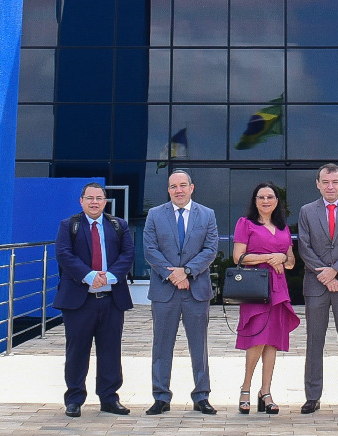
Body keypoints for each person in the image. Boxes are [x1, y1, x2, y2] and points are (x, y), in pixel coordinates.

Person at [53, 182, 135, 417]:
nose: (94, 202)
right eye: (90, 198)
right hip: (79, 301)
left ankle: (109, 398)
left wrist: (109, 276)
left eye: (99, 198)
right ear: (81, 201)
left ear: (105, 201)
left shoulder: (118, 226)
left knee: (110, 350)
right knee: (77, 351)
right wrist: (89, 276)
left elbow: (128, 253)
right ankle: (75, 398)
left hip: (111, 299)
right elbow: (64, 254)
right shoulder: (70, 225)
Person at [141, 169, 219, 415]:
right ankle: (161, 397)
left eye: (183, 185)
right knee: (161, 346)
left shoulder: (207, 215)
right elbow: (150, 250)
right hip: (165, 291)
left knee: (199, 346)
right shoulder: (155, 215)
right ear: (168, 190)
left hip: (196, 290)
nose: (179, 190)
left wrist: (186, 272)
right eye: (173, 186)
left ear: (192, 188)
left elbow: (210, 249)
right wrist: (173, 275)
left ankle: (201, 396)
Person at [296, 163, 338, 415]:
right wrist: (326, 276)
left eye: (335, 182)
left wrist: (335, 272)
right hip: (316, 287)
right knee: (314, 342)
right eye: (325, 182)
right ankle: (312, 396)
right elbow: (304, 247)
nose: (330, 186)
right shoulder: (306, 211)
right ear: (317, 183)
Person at [232, 182, 299, 415]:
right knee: (257, 338)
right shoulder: (245, 223)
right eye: (261, 197)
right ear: (255, 200)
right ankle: (246, 387)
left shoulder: (283, 227)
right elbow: (237, 257)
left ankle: (266, 391)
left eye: (270, 197)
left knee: (273, 341)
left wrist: (281, 258)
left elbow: (291, 261)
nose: (266, 201)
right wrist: (270, 256)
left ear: (277, 201)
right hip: (256, 288)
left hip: (279, 290)